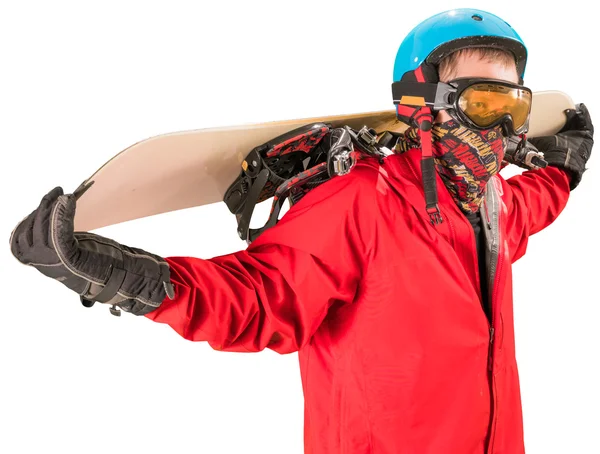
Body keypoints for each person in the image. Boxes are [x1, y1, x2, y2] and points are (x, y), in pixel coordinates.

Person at [9, 8, 593, 454]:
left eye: (512, 106)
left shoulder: (490, 206)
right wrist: (135, 281)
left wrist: (564, 172)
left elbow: (530, 203)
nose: (499, 129)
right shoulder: (362, 201)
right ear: (422, 103)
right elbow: (260, 296)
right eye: (482, 101)